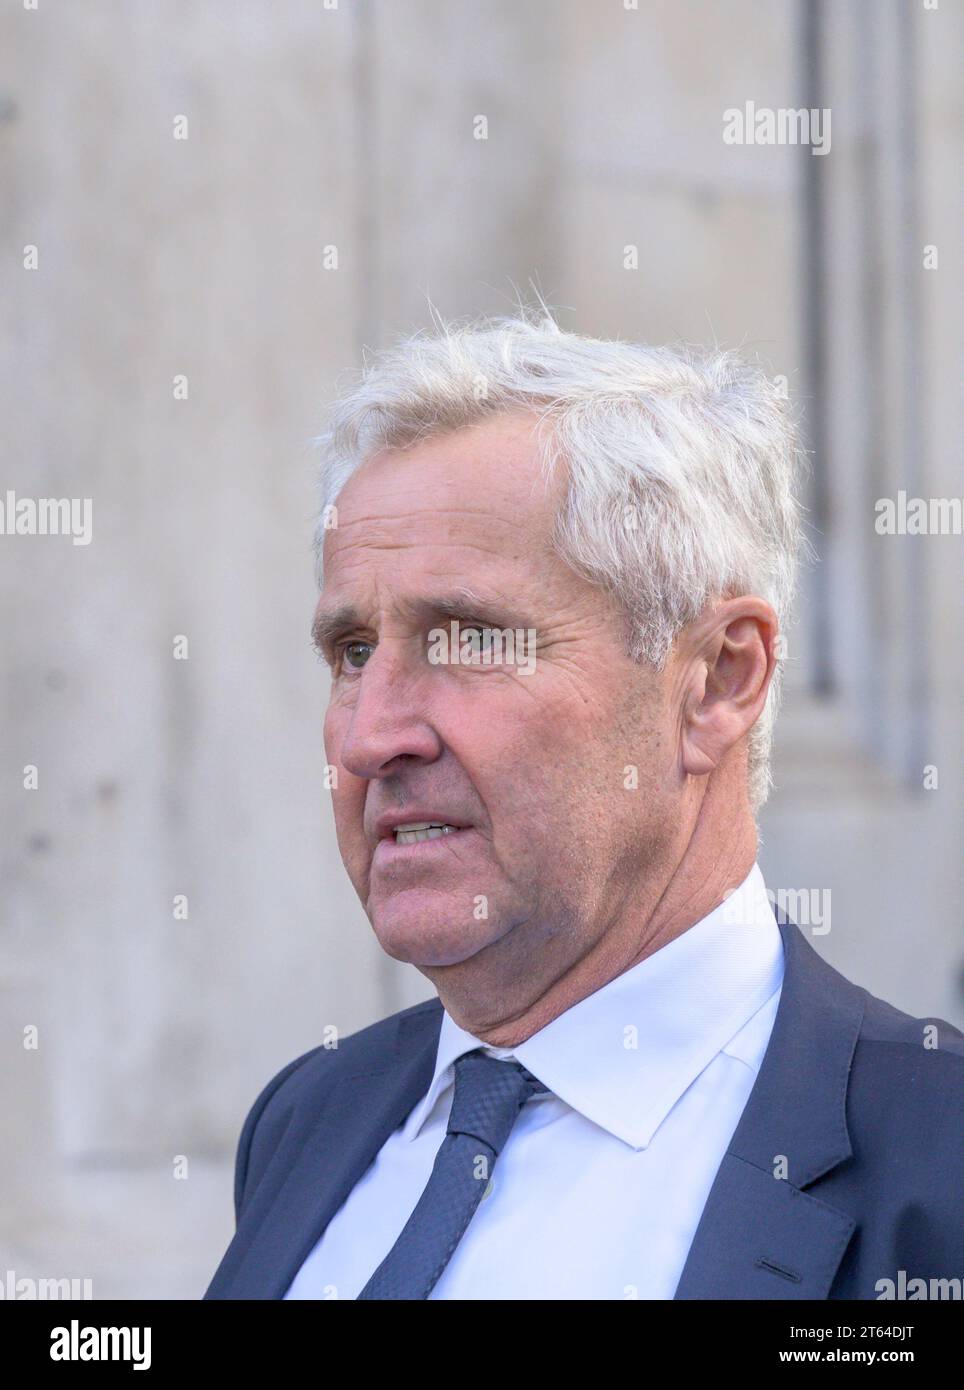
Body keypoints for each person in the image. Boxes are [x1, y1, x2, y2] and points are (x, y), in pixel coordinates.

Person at [205, 312, 964, 1300]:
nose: (367, 736)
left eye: (468, 638)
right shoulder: (307, 1117)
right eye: (353, 652)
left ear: (718, 681)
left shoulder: (934, 1158)